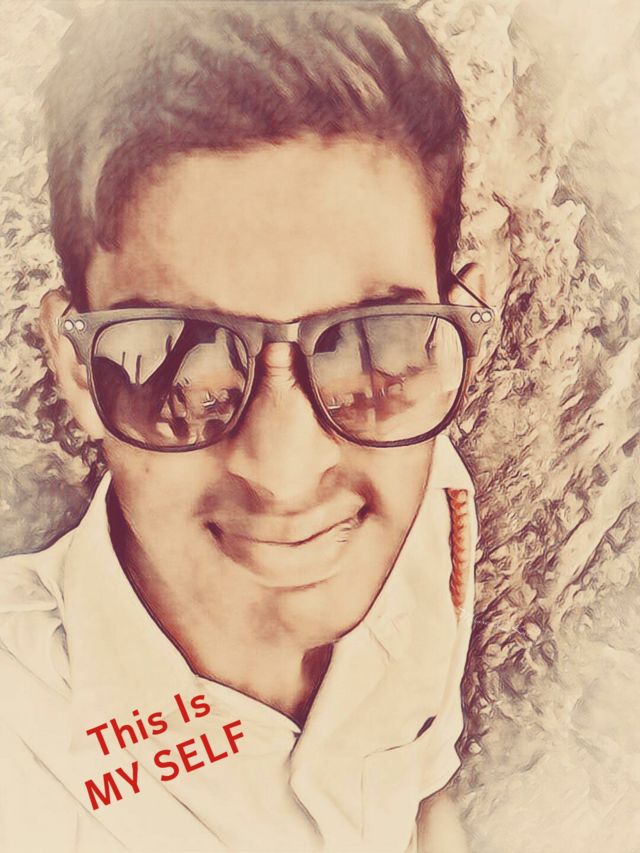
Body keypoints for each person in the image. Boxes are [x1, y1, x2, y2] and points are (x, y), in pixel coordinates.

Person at [0, 2, 493, 851]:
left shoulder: (432, 509)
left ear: (457, 350)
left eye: (370, 345)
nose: (285, 472)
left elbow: (420, 766)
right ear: (75, 368)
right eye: (177, 357)